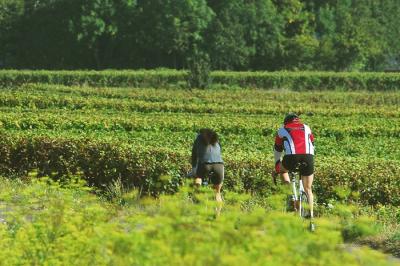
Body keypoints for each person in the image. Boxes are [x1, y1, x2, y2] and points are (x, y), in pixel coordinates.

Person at [273, 113, 315, 231]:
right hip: (308, 158)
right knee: (308, 188)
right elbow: (312, 144)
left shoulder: (282, 130)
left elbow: (277, 149)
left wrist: (277, 165)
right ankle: (311, 219)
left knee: (283, 171)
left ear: (286, 122)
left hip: (291, 158)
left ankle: (291, 195)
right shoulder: (307, 127)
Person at [191, 128, 224, 203]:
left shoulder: (199, 138)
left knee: (198, 177)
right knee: (217, 192)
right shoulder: (216, 140)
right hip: (219, 165)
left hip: (205, 164)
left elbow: (194, 155)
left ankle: (199, 191)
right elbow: (220, 151)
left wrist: (194, 168)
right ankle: (218, 214)